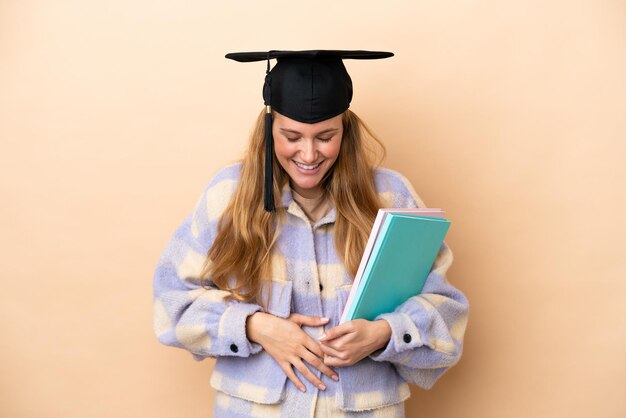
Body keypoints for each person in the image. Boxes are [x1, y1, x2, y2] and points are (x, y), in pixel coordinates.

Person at [152, 50, 469, 417]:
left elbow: (447, 316)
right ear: (269, 130)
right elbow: (171, 303)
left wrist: (383, 333)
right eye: (292, 136)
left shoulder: (391, 197)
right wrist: (257, 326)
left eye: (325, 137)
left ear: (344, 131)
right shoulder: (228, 196)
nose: (308, 153)